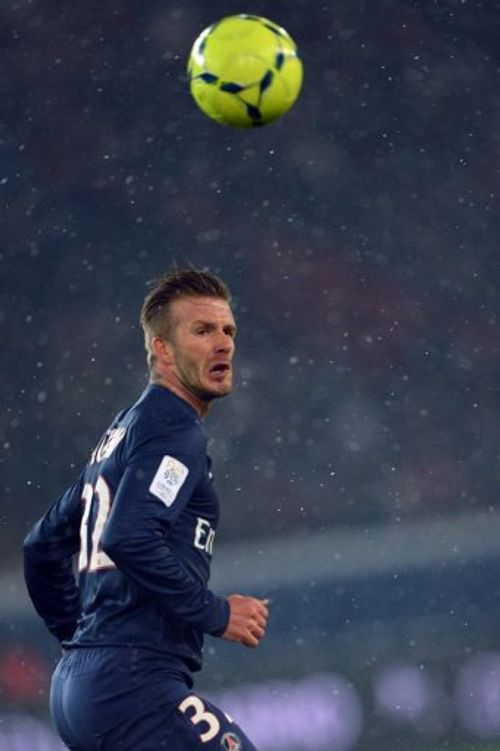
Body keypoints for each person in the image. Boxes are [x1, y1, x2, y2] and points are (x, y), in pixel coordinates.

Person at [23, 268, 269, 751]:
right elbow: (130, 536)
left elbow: (41, 546)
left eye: (228, 331)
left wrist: (84, 642)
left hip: (84, 688)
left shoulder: (125, 433)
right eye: (202, 331)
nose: (223, 344)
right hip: (133, 684)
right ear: (161, 349)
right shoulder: (173, 429)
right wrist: (216, 613)